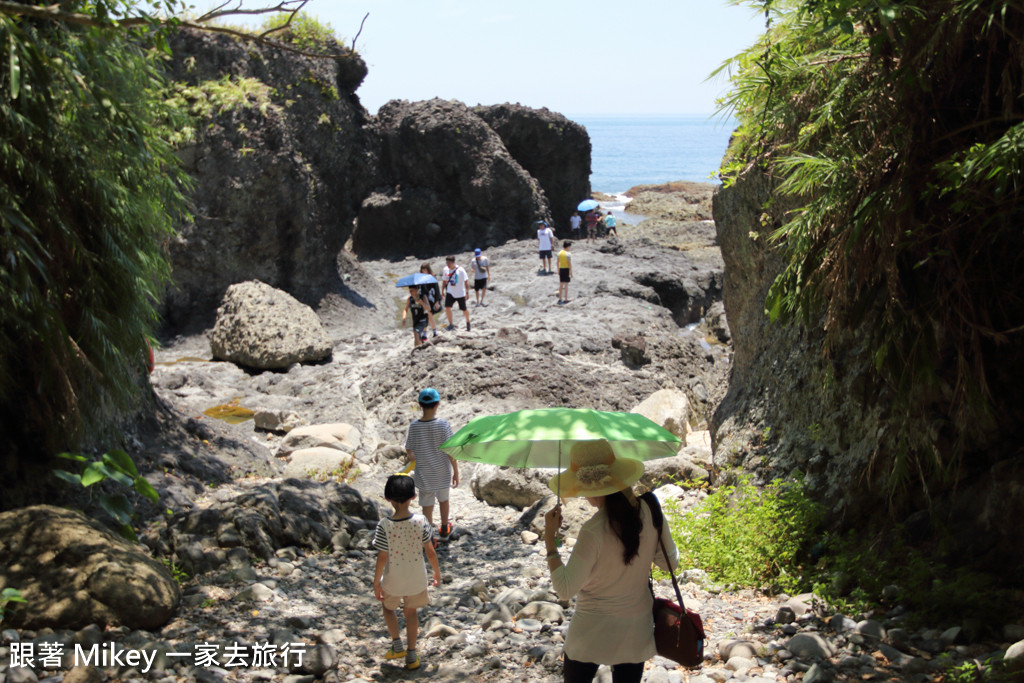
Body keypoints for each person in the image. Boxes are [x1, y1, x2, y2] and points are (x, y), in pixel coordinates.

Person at [543, 440, 679, 683]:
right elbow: (670, 562)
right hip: (636, 628)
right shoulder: (650, 511)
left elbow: (564, 589)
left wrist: (549, 540)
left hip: (591, 632)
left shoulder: (592, 531)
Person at [373, 473, 441, 671]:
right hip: (416, 579)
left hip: (393, 578)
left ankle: (397, 645)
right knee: (411, 613)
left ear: (388, 499)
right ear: (413, 497)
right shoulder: (421, 521)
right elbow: (430, 551)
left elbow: (382, 557)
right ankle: (412, 656)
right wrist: (436, 573)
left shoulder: (384, 525)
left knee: (388, 608)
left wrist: (376, 582)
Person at [404, 387, 460, 542]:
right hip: (442, 472)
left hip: (423, 474)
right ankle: (444, 528)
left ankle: (428, 537)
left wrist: (413, 456)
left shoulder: (414, 426)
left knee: (427, 505)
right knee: (444, 500)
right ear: (437, 404)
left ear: (420, 405)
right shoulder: (443, 425)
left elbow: (409, 448)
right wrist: (456, 471)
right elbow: (450, 450)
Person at [441, 255, 471, 331]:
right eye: (447, 263)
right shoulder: (445, 270)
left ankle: (468, 322)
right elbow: (444, 281)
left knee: (464, 309)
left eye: (449, 263)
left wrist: (467, 292)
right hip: (450, 291)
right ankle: (451, 324)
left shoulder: (460, 270)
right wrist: (442, 292)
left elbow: (466, 281)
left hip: (460, 293)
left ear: (453, 262)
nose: (448, 264)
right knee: (447, 307)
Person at [418, 262, 442, 337]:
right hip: (425, 299)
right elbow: (421, 290)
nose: (423, 271)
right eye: (422, 270)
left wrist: (437, 301)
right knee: (427, 317)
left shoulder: (432, 278)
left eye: (425, 270)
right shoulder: (421, 279)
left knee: (429, 316)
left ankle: (428, 333)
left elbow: (437, 289)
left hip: (432, 299)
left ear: (428, 269)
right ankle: (432, 332)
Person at [557, 240, 573, 304]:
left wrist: (558, 270)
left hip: (561, 269)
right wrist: (571, 272)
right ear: (568, 246)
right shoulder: (568, 254)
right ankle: (566, 298)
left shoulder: (559, 253)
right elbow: (569, 264)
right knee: (566, 284)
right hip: (566, 269)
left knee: (561, 284)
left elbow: (557, 262)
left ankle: (560, 298)